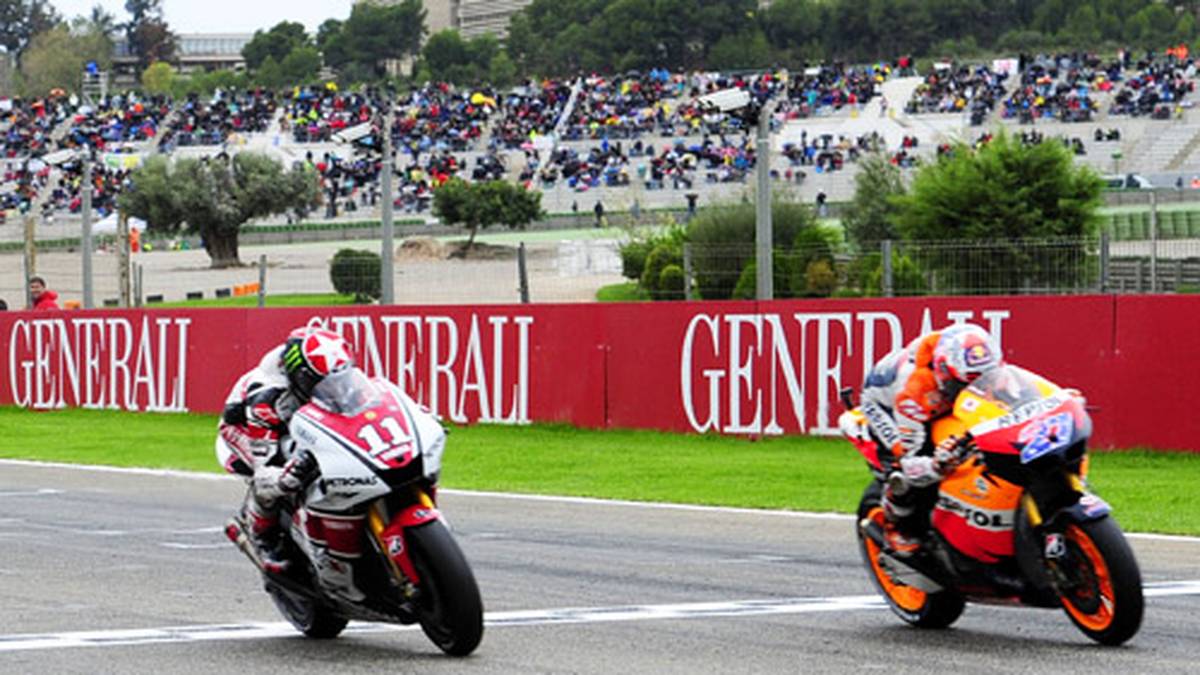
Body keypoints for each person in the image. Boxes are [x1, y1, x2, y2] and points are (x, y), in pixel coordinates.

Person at [216, 325, 364, 601]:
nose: (334, 387)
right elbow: (265, 465)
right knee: (280, 479)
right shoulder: (267, 398)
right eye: (323, 383)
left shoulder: (326, 373)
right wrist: (285, 475)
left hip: (297, 415)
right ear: (302, 378)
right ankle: (264, 538)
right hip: (245, 430)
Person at [856, 323, 1002, 556]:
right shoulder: (915, 390)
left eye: (983, 380)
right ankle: (900, 525)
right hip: (885, 407)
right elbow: (912, 459)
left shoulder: (972, 362)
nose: (978, 388)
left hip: (930, 397)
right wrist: (935, 465)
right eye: (967, 385)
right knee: (911, 466)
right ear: (945, 374)